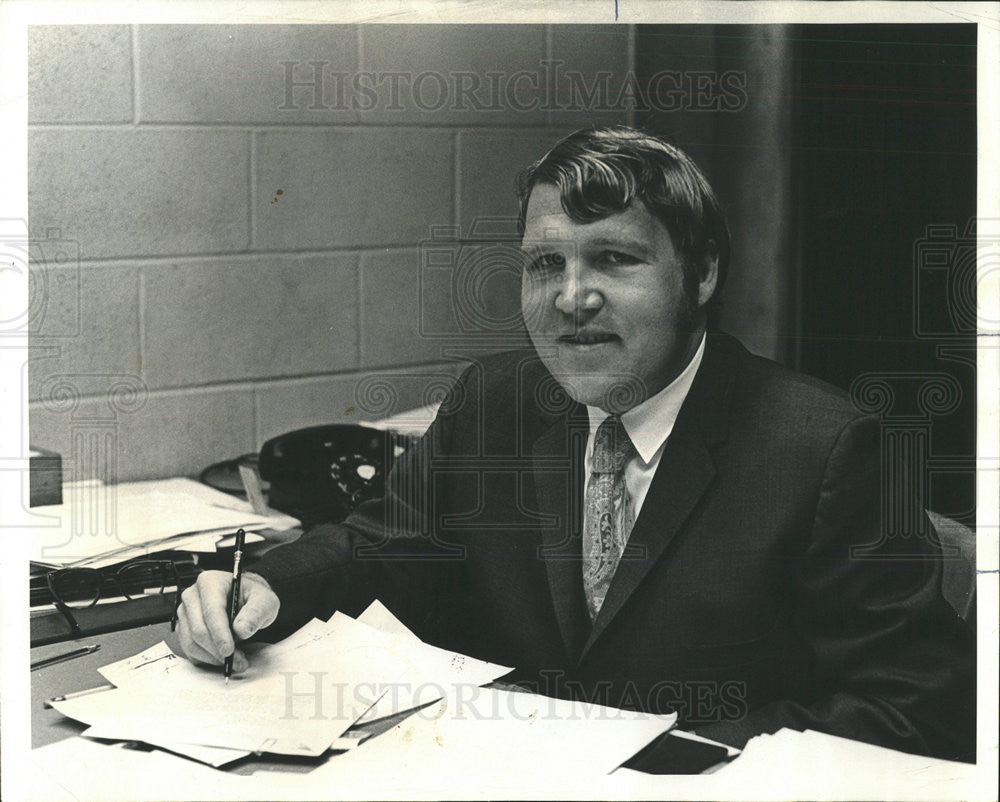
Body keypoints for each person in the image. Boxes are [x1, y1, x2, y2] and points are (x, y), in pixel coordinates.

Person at [176, 126, 975, 762]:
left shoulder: (829, 448)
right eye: (543, 264)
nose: (571, 297)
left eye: (616, 260)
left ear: (700, 275)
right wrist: (268, 586)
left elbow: (911, 711)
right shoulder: (495, 401)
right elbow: (382, 548)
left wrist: (656, 755)